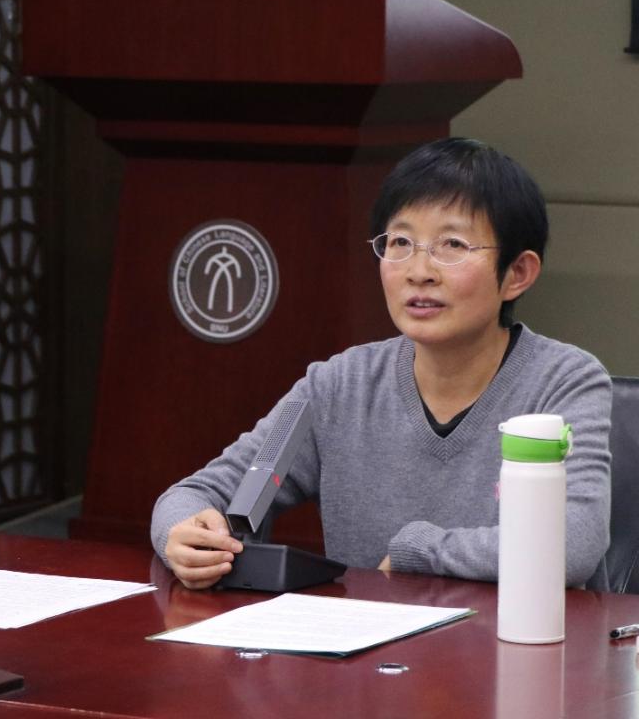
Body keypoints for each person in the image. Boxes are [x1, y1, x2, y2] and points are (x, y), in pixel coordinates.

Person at [151, 137, 612, 590]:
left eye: (452, 245)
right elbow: (199, 494)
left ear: (517, 274)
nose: (419, 271)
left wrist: (420, 551)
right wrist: (183, 534)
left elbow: (570, 545)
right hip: (367, 639)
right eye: (400, 242)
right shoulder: (337, 385)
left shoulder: (564, 382)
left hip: (517, 635)